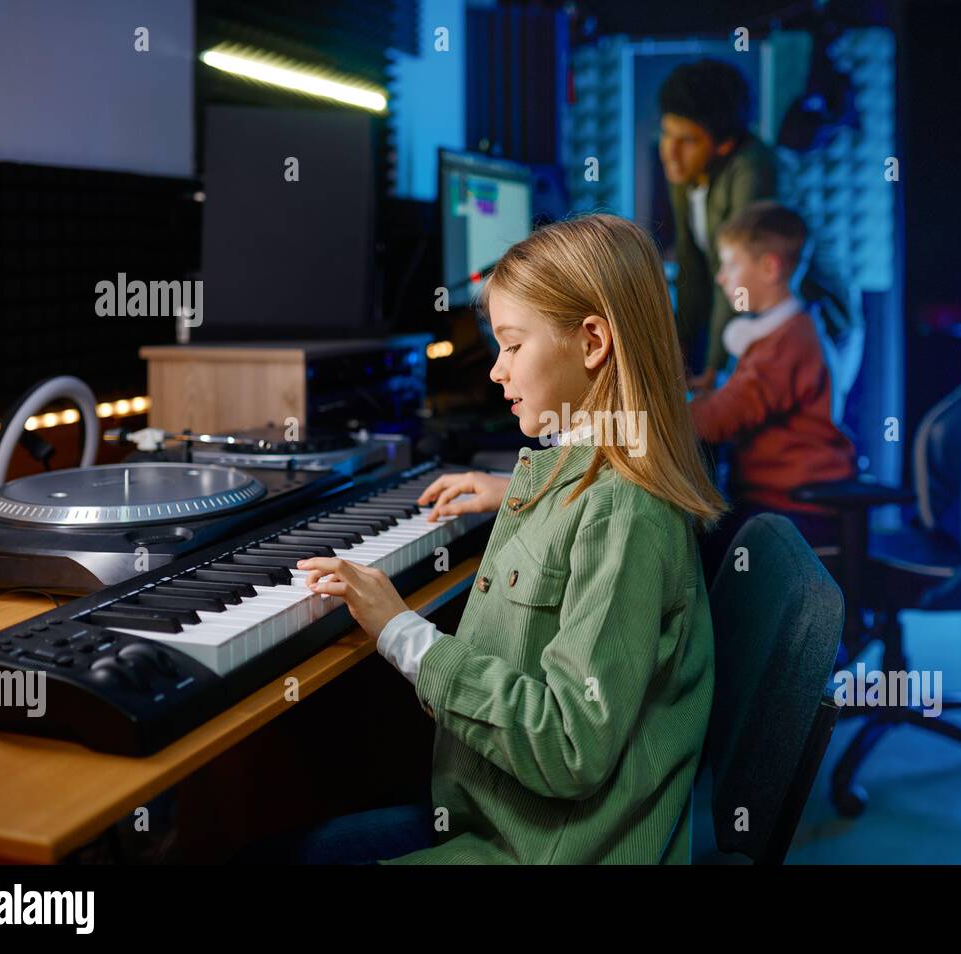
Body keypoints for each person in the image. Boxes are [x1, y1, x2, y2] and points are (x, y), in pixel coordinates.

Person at [261, 214, 725, 864]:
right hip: (507, 819)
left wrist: (400, 630)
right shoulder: (607, 477)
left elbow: (569, 747)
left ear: (592, 340)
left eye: (511, 344)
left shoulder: (627, 512)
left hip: (539, 850)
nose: (495, 373)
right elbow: (585, 530)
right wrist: (515, 491)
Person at [658, 58, 862, 415]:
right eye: (666, 134)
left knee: (789, 449)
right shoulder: (687, 174)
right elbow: (692, 275)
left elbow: (742, 275)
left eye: (687, 140)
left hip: (817, 331)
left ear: (724, 144)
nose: (670, 152)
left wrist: (714, 370)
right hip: (759, 325)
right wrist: (677, 360)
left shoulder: (755, 168)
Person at [688, 201, 856, 586]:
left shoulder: (788, 343)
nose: (720, 277)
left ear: (769, 267)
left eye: (730, 264)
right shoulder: (781, 333)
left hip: (794, 504)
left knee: (701, 553)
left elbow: (723, 418)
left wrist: (648, 415)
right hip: (782, 495)